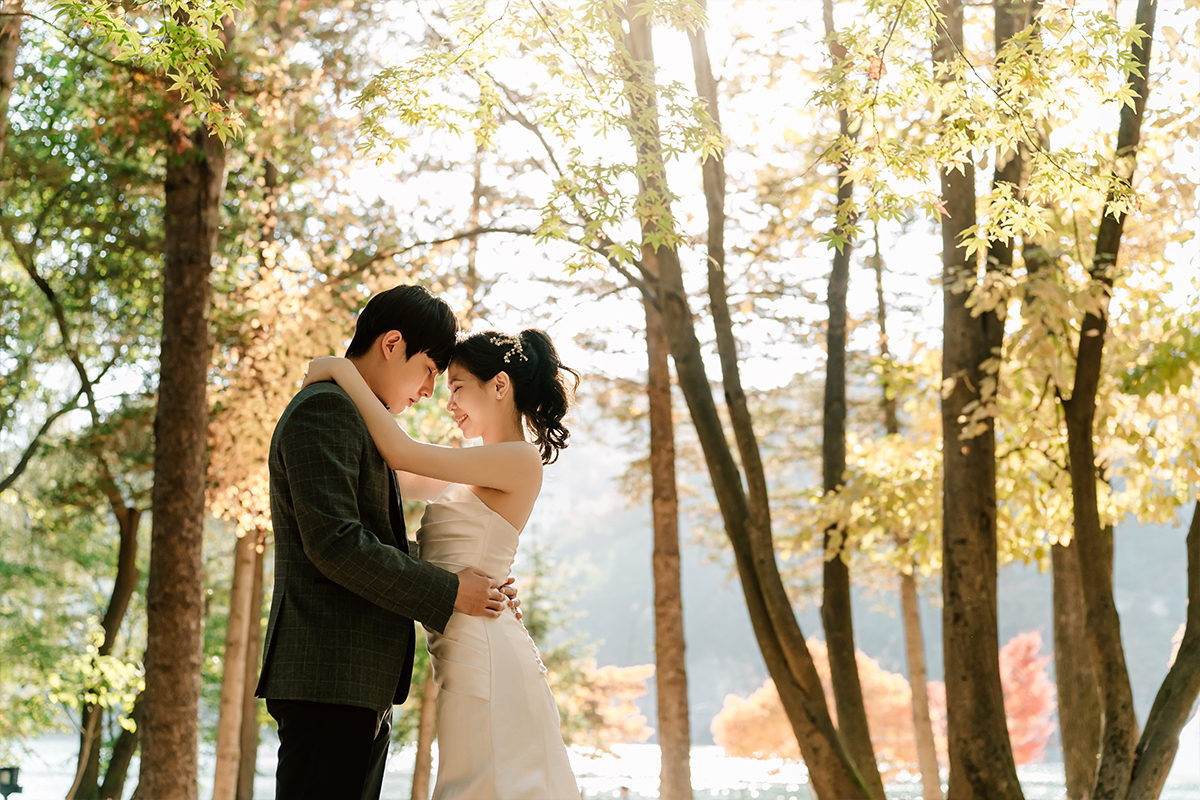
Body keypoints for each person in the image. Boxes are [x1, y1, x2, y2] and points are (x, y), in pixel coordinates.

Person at [257, 285, 516, 800]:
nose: (426, 392)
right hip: (329, 677)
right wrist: (448, 591)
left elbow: (374, 542)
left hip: (353, 681)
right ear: (392, 343)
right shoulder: (325, 410)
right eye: (428, 371)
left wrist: (476, 583)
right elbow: (335, 543)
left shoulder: (351, 415)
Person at [302, 326, 583, 800]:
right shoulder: (475, 466)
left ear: (499, 385)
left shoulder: (519, 460)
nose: (448, 403)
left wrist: (340, 370)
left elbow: (400, 452)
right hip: (462, 653)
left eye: (456, 387)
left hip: (488, 658)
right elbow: (393, 472)